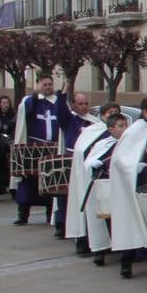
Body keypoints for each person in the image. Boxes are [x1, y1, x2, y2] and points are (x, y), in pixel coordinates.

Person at [12, 75, 74, 227]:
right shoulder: (31, 101)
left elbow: (64, 115)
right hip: (33, 147)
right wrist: (35, 95)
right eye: (45, 84)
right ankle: (23, 214)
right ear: (38, 84)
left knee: (51, 181)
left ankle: (50, 214)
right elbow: (25, 112)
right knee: (28, 182)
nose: (48, 87)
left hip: (53, 147)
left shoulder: (57, 102)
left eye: (50, 84)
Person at [109, 96, 147, 278]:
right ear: (145, 112)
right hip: (137, 183)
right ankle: (126, 262)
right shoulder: (135, 131)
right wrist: (135, 167)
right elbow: (120, 158)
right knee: (133, 223)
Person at [62, 102, 117, 259]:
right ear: (102, 115)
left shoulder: (121, 130)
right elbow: (82, 152)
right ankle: (89, 244)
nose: (112, 115)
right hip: (91, 179)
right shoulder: (91, 131)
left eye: (116, 112)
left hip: (111, 179)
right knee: (92, 214)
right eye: (110, 113)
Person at [53, 91, 101, 242]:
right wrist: (61, 97)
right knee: (64, 195)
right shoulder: (70, 120)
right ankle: (61, 226)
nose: (84, 107)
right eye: (80, 104)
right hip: (71, 161)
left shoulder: (94, 122)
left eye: (86, 103)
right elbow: (60, 112)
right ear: (73, 105)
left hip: (87, 162)